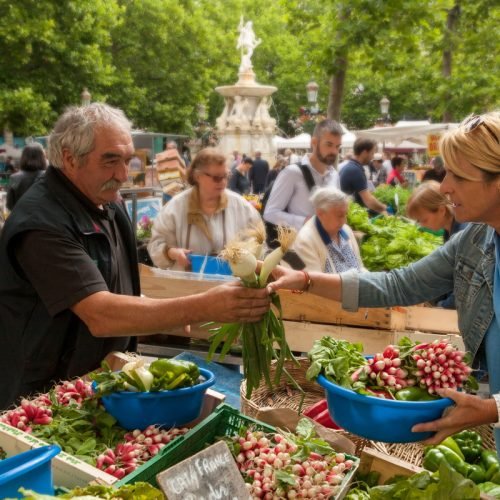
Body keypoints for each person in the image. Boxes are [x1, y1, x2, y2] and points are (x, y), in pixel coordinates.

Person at [0, 104, 270, 410]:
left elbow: (115, 286)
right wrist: (203, 307)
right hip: (40, 399)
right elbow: (100, 314)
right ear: (70, 158)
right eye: (110, 161)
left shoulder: (108, 205)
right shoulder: (40, 224)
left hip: (95, 386)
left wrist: (166, 312)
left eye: (127, 160)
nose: (123, 175)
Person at [269, 111, 500, 449]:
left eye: (459, 177)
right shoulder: (475, 241)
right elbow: (398, 284)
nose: (446, 186)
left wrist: (491, 409)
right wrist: (304, 279)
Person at [148, 147, 261, 271]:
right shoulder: (175, 208)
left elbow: (258, 243)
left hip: (230, 286)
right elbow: (155, 245)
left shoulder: (241, 207)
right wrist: (171, 253)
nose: (223, 182)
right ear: (197, 176)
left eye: (226, 176)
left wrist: (244, 254)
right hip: (188, 287)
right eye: (217, 178)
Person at [263, 119, 342, 232]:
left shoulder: (335, 175)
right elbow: (270, 213)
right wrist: (306, 221)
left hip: (327, 246)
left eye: (337, 146)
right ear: (314, 143)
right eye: (329, 145)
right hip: (300, 247)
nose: (334, 151)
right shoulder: (292, 173)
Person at [407, 180, 468, 308]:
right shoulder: (449, 230)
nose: (422, 225)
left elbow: (463, 288)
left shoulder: (463, 233)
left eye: (423, 220)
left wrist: (442, 306)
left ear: (441, 210)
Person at [292, 187, 364, 273]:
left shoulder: (345, 230)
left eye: (345, 214)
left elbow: (360, 267)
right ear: (320, 214)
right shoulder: (305, 241)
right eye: (340, 215)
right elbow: (315, 282)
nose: (344, 221)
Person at [339, 138, 388, 216]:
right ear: (364, 153)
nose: (372, 158)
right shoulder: (355, 170)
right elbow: (368, 200)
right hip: (348, 214)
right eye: (372, 153)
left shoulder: (352, 166)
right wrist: (384, 208)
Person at [6, 143, 47, 211]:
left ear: (23, 157)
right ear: (42, 158)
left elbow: (9, 205)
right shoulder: (48, 176)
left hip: (20, 218)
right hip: (45, 219)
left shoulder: (14, 178)